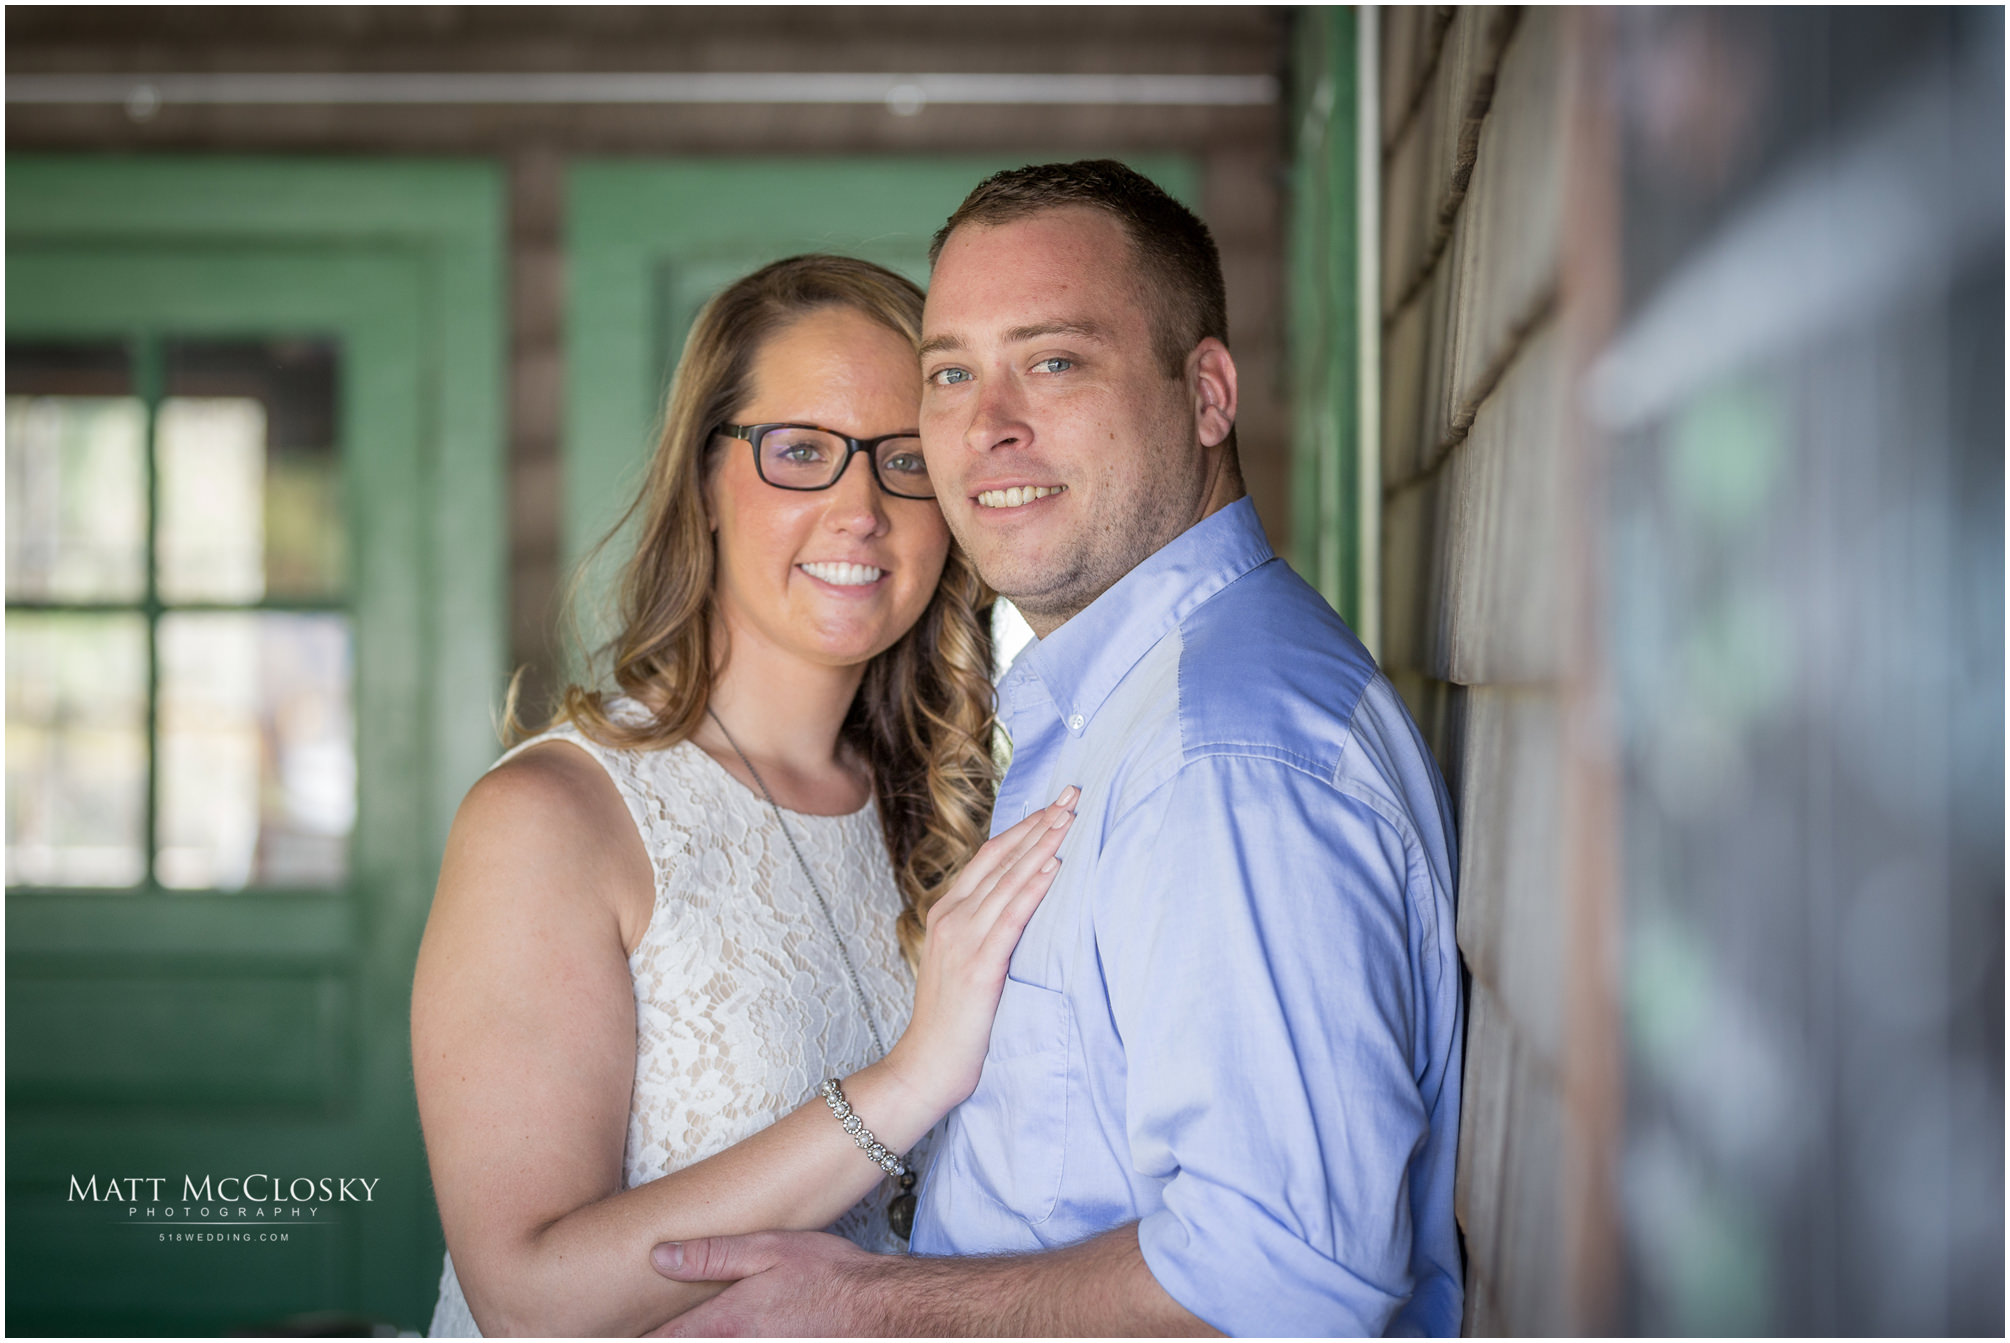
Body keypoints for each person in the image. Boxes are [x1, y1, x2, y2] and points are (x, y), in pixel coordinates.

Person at [649, 161, 1465, 1336]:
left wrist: (878, 1303)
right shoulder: (1114, 706)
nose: (987, 428)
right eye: (951, 373)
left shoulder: (1221, 762)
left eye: (1054, 361)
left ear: (1208, 394)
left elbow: (1284, 1279)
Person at [410, 254, 1078, 1337]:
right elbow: (529, 1298)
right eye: (802, 451)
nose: (860, 508)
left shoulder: (953, 805)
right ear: (706, 482)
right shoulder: (554, 820)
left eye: (905, 459)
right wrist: (909, 1081)